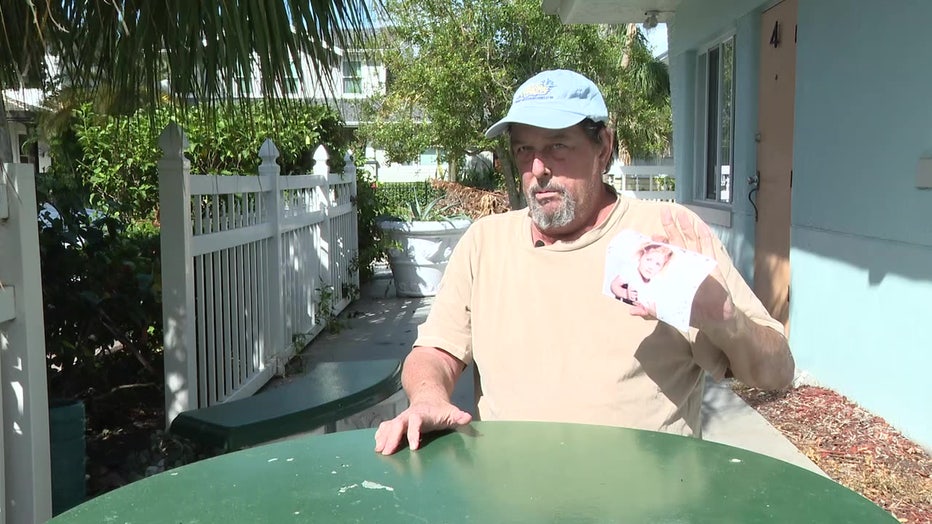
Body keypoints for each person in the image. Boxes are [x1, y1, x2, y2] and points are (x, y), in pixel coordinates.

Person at [374, 69, 794, 455]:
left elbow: (776, 372)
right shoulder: (486, 243)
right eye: (525, 150)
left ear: (603, 147)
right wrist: (428, 398)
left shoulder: (667, 234)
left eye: (558, 147)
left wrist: (725, 319)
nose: (537, 169)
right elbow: (434, 351)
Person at [609, 241, 674, 308]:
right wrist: (625, 294)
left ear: (662, 267)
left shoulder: (654, 285)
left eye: (657, 264)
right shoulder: (631, 272)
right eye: (648, 259)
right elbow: (614, 285)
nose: (651, 267)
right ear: (640, 256)